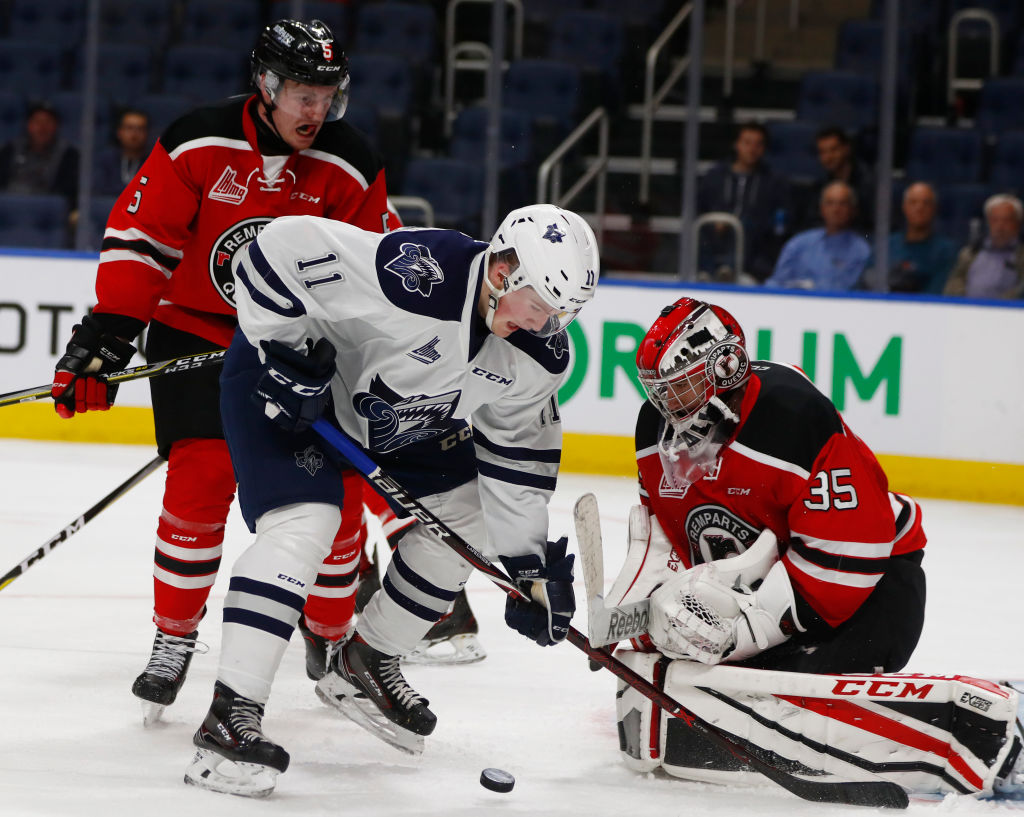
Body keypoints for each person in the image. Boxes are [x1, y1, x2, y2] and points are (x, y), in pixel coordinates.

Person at [48, 18, 415, 727]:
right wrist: (108, 333)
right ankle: (174, 636)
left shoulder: (351, 164)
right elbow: (143, 238)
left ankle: (335, 638)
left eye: (327, 96)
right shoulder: (199, 140)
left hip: (303, 348)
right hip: (196, 330)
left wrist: (339, 346)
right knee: (201, 479)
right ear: (268, 86)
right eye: (303, 94)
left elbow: (370, 273)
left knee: (330, 501)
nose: (316, 111)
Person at [183, 203, 599, 796]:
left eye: (561, 314)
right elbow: (273, 248)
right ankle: (229, 716)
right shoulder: (417, 272)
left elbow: (517, 457)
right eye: (539, 307)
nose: (546, 325)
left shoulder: (540, 353)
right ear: (503, 271)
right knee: (307, 522)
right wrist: (286, 350)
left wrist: (527, 568)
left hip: (392, 417)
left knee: (470, 514)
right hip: (291, 390)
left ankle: (366, 662)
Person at [696, 122, 790, 283]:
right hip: (716, 238)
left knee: (743, 224)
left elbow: (779, 220)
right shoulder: (715, 176)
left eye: (758, 144)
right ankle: (706, 271)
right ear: (737, 144)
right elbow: (699, 207)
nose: (752, 149)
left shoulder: (773, 181)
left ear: (764, 149)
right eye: (747, 143)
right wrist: (716, 220)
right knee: (704, 224)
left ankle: (728, 270)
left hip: (753, 250)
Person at [766, 180, 871, 290]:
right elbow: (776, 282)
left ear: (853, 210)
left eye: (842, 204)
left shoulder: (860, 250)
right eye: (830, 203)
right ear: (822, 209)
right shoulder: (798, 244)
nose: (836, 209)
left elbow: (846, 290)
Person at [943, 193, 1024, 299]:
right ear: (988, 223)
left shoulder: (1021, 255)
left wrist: (1000, 305)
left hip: (1007, 311)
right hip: (967, 310)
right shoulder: (970, 253)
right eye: (995, 220)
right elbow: (955, 281)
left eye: (1006, 220)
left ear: (1017, 224)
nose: (1000, 226)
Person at [0, 100, 79, 205]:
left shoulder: (69, 155)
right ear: (29, 125)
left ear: (56, 126)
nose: (42, 127)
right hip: (9, 208)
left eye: (48, 122)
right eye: (37, 122)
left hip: (47, 211)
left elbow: (68, 194)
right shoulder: (10, 149)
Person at [799, 125, 874, 233]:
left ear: (846, 149)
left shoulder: (869, 183)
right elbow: (812, 221)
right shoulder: (821, 186)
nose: (828, 157)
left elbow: (871, 226)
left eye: (833, 150)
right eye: (822, 152)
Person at [886, 181, 956, 293]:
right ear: (904, 207)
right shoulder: (888, 245)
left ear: (934, 208)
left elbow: (938, 292)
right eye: (913, 202)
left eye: (926, 203)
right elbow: (870, 282)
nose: (919, 208)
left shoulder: (946, 251)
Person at [92, 108, 150, 197]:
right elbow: (99, 190)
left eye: (140, 129)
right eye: (129, 128)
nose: (134, 134)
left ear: (147, 133)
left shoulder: (153, 163)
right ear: (119, 132)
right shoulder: (105, 159)